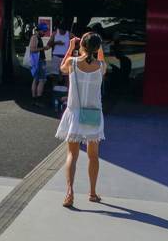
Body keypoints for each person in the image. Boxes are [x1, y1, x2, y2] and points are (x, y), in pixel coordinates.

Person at [56, 32, 105, 207]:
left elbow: (61, 68)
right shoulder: (101, 66)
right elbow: (100, 58)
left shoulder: (72, 63)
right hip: (94, 115)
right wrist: (98, 47)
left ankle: (69, 192)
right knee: (94, 156)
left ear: (82, 45)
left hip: (75, 114)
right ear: (98, 48)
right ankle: (92, 192)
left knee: (72, 154)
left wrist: (71, 47)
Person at [27, 22, 49, 104]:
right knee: (42, 80)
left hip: (39, 61)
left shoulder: (37, 37)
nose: (44, 33)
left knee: (36, 79)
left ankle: (34, 98)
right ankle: (38, 98)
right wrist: (43, 48)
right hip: (39, 61)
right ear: (39, 30)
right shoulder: (35, 37)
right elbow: (32, 49)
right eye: (43, 31)